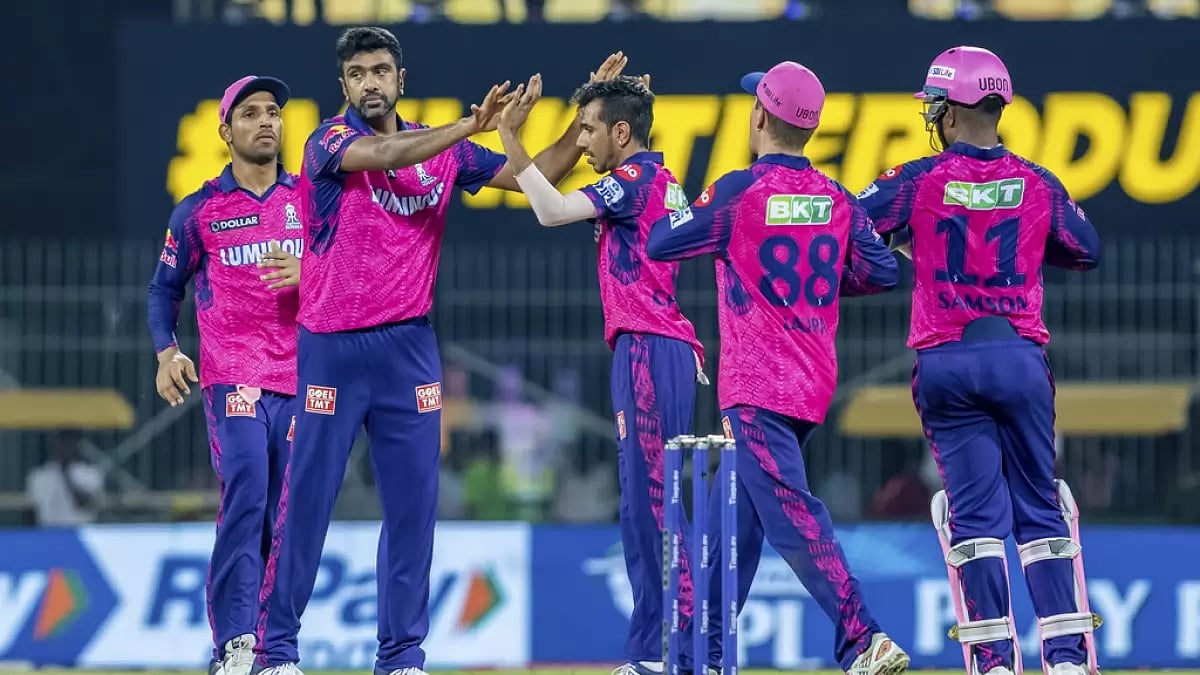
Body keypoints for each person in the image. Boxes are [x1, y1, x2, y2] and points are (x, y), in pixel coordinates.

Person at [254, 26, 631, 675]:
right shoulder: (329, 141)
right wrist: (470, 126)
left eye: (380, 70)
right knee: (307, 502)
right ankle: (275, 653)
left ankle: (401, 657)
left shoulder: (444, 149)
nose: (369, 82)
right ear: (343, 85)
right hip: (332, 350)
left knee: (413, 513)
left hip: (409, 350)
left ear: (402, 77)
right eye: (357, 74)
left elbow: (532, 178)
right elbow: (389, 153)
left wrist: (582, 121)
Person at [645, 61, 910, 675]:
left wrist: (660, 182)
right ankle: (697, 657)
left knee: (790, 512)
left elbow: (661, 241)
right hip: (811, 381)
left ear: (759, 115)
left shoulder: (739, 193)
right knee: (740, 525)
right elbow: (883, 270)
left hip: (756, 385)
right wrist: (816, 284)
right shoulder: (837, 198)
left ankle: (861, 637)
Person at [856, 45, 1102, 675]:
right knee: (1041, 507)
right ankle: (1068, 659)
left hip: (946, 362)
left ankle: (993, 662)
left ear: (949, 108)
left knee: (973, 516)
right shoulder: (1039, 182)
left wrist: (912, 251)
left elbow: (853, 225)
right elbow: (1085, 248)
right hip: (1019, 356)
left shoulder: (916, 179)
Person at [494, 72, 708, 675]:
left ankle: (672, 652)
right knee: (648, 503)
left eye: (589, 129)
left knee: (652, 506)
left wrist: (511, 135)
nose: (581, 143)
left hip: (648, 347)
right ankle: (661, 651)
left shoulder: (636, 180)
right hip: (656, 346)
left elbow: (550, 208)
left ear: (621, 132)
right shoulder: (656, 180)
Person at [147, 75, 303, 675]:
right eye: (251, 114)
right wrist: (167, 352)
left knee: (285, 514)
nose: (266, 122)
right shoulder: (199, 211)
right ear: (226, 131)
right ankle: (235, 644)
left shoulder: (311, 202)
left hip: (302, 379)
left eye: (273, 113)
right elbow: (164, 288)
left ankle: (274, 649)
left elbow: (348, 274)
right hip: (233, 374)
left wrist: (311, 274)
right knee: (244, 491)